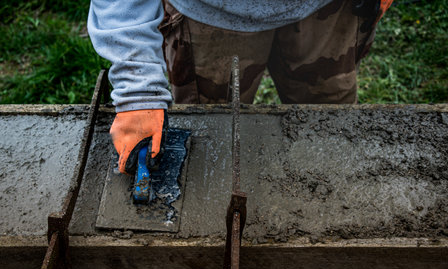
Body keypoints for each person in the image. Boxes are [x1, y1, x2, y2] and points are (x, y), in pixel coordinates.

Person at [88, 0, 393, 175]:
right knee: (207, 150)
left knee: (329, 132)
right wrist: (138, 89)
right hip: (209, 13)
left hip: (327, 10)